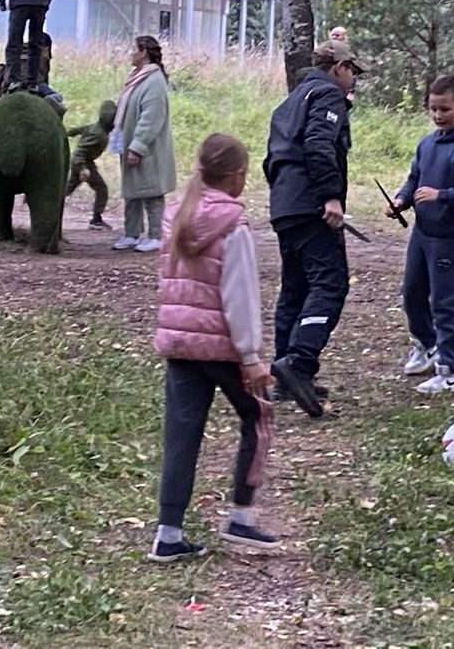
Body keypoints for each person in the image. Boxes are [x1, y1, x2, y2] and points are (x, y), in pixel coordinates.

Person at [149, 133, 279, 561]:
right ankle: (241, 516)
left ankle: (168, 533)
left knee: (182, 436)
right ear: (238, 176)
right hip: (221, 346)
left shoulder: (175, 215)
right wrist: (252, 357)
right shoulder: (234, 225)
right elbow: (239, 296)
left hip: (179, 341)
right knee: (259, 415)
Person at [264, 39, 362, 415]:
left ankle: (283, 374)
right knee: (330, 283)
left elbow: (270, 158)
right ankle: (300, 362)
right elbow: (319, 145)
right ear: (338, 67)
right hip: (311, 206)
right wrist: (330, 197)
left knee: (295, 288)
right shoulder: (328, 96)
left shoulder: (289, 102)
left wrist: (285, 199)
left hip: (285, 206)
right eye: (353, 71)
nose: (353, 79)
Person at [387, 76, 454, 395]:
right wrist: (402, 200)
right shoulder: (428, 143)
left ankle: (453, 372)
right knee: (412, 294)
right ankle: (427, 347)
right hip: (423, 232)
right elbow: (414, 179)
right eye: (433, 109)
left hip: (452, 236)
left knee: (445, 303)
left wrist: (442, 195)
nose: (437, 115)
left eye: (444, 109)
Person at [114, 35, 177, 253]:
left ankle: (156, 235)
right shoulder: (138, 77)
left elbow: (151, 118)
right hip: (130, 140)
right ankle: (131, 233)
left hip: (148, 148)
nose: (130, 53)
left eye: (133, 49)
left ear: (143, 52)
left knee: (151, 192)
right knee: (132, 191)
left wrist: (138, 146)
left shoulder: (154, 81)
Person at [67, 99, 117, 230]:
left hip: (84, 162)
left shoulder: (97, 128)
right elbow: (80, 152)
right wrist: (83, 168)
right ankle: (96, 219)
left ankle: (46, 203)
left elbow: (81, 129)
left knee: (68, 188)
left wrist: (67, 133)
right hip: (83, 163)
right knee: (101, 189)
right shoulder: (99, 134)